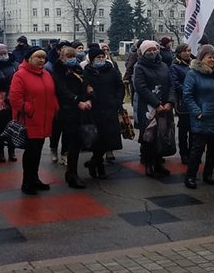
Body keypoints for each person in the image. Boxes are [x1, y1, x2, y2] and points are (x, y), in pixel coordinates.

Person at [9, 48, 59, 195]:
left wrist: (55, 107)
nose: (41, 60)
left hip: (44, 119)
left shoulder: (46, 74)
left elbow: (52, 93)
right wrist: (29, 109)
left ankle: (35, 178)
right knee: (31, 152)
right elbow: (15, 99)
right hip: (29, 120)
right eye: (38, 57)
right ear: (29, 59)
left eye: (43, 58)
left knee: (37, 151)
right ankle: (27, 182)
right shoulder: (20, 75)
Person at [182, 45, 214, 188]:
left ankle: (208, 174)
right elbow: (187, 96)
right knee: (197, 150)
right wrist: (198, 112)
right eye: (210, 57)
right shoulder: (193, 74)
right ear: (201, 59)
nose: (213, 60)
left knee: (213, 150)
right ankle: (190, 176)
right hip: (202, 118)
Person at [133, 40, 175, 177]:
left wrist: (170, 101)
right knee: (149, 136)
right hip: (148, 107)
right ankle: (149, 163)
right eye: (149, 50)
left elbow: (171, 84)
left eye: (154, 49)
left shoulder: (163, 65)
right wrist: (157, 104)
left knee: (162, 134)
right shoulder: (139, 67)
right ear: (143, 53)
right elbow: (141, 88)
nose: (152, 52)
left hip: (165, 106)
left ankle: (158, 163)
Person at [52, 45, 92, 188]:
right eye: (68, 57)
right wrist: (77, 100)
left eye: (73, 56)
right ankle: (72, 174)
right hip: (67, 111)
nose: (72, 59)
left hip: (80, 110)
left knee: (76, 143)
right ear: (62, 57)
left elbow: (86, 84)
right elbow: (62, 90)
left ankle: (71, 173)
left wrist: (88, 98)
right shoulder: (58, 71)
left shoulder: (77, 69)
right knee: (72, 143)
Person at [82, 47, 124, 179]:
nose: (101, 59)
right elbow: (83, 88)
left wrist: (117, 101)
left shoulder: (111, 71)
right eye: (98, 58)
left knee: (108, 138)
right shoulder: (87, 72)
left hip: (110, 108)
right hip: (94, 110)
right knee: (97, 139)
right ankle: (98, 164)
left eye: (103, 57)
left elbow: (120, 86)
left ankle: (95, 162)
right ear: (92, 59)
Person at [169, 44, 192, 163]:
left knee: (194, 129)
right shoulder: (175, 66)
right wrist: (188, 89)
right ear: (179, 53)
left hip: (195, 101)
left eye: (189, 51)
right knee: (184, 129)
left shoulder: (193, 64)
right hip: (183, 102)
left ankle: (193, 152)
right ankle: (184, 153)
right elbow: (175, 82)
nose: (188, 53)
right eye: (185, 51)